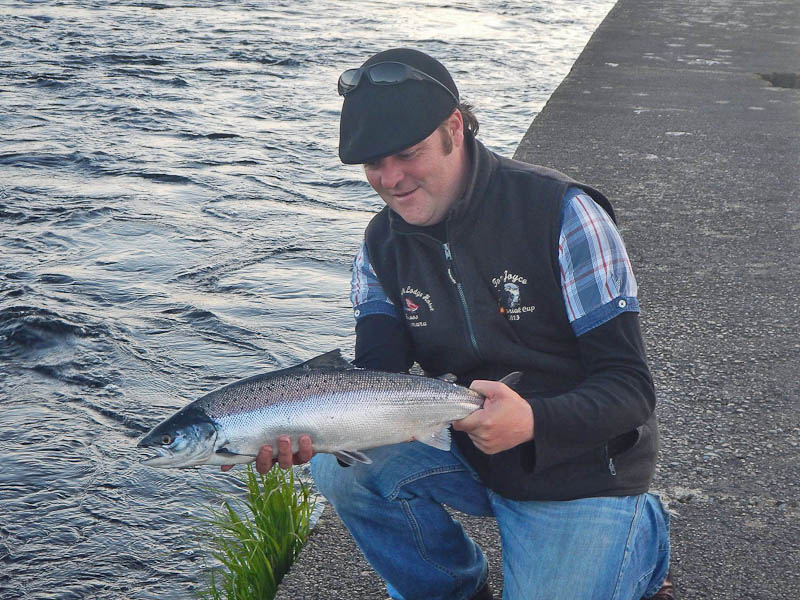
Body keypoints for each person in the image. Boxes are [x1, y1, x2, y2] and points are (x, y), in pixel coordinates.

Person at [231, 48, 673, 600]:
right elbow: (374, 377)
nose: (389, 180)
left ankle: (640, 535)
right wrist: (305, 430)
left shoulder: (563, 214)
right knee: (341, 470)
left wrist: (533, 420)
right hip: (466, 446)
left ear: (454, 127)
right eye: (372, 163)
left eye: (406, 154)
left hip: (580, 466)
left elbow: (630, 390)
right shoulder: (381, 246)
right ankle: (453, 590)